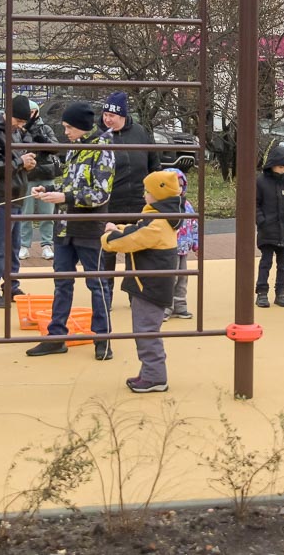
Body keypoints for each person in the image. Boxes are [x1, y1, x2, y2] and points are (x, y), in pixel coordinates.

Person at [26, 102, 116, 360]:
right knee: (62, 283)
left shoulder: (103, 149)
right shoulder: (75, 147)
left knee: (97, 284)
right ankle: (56, 337)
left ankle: (103, 339)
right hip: (64, 227)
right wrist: (49, 190)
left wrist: (64, 197)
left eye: (68, 127)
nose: (65, 132)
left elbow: (101, 194)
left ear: (81, 126)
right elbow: (70, 183)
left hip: (88, 227)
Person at [100, 171, 184, 393]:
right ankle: (149, 372)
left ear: (158, 194)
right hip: (148, 283)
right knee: (144, 329)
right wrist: (117, 228)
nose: (144, 194)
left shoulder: (158, 223)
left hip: (150, 286)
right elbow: (136, 229)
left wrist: (108, 237)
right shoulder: (160, 216)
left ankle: (155, 377)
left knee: (146, 331)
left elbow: (131, 240)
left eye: (147, 191)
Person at [0, 95, 37, 308]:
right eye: (18, 121)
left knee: (13, 245)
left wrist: (26, 164)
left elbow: (13, 162)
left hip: (16, 194)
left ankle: (11, 284)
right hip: (1, 197)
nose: (21, 125)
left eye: (23, 122)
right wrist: (20, 162)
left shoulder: (16, 132)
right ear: (8, 114)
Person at [99, 91, 159, 289]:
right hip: (109, 205)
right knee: (106, 252)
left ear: (123, 115)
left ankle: (137, 295)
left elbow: (154, 165)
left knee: (137, 254)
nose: (107, 119)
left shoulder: (140, 132)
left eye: (112, 115)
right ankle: (104, 296)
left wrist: (157, 195)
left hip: (138, 204)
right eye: (105, 114)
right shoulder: (98, 136)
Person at [255, 146, 284, 308]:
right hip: (267, 231)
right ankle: (262, 293)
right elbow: (255, 204)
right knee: (265, 262)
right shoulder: (261, 182)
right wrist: (261, 221)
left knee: (283, 264)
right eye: (280, 166)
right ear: (272, 165)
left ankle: (281, 293)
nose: (283, 170)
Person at [19, 100, 58, 262]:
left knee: (47, 213)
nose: (30, 115)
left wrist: (41, 138)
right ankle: (23, 245)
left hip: (46, 175)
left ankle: (47, 245)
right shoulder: (20, 129)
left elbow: (55, 148)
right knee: (25, 213)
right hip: (27, 176)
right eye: (28, 112)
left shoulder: (45, 128)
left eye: (32, 112)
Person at [164, 168, 198, 321]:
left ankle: (180, 306)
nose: (177, 188)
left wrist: (196, 244)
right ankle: (166, 307)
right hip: (168, 249)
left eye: (180, 185)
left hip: (183, 249)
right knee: (170, 279)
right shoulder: (162, 206)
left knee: (182, 279)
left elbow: (194, 225)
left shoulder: (187, 205)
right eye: (174, 185)